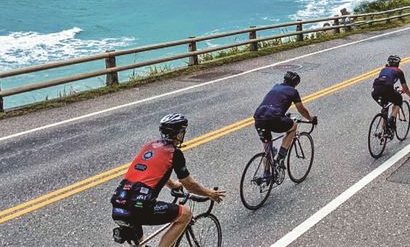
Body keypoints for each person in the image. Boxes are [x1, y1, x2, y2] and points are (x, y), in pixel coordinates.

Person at [111, 114, 225, 247]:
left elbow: (156, 171)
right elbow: (189, 184)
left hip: (118, 205)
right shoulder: (174, 153)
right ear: (178, 134)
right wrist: (209, 193)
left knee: (140, 244)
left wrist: (173, 185)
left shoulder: (150, 145)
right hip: (139, 206)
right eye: (182, 131)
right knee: (186, 214)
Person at [253, 71, 317, 171]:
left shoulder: (276, 86)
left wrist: (282, 115)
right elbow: (301, 109)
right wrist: (311, 119)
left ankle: (266, 175)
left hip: (259, 118)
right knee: (293, 126)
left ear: (284, 79)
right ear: (295, 84)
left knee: (267, 148)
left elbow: (274, 103)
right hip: (274, 118)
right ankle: (281, 158)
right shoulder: (292, 91)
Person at [371, 55, 410, 130]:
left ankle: (383, 132)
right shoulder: (398, 71)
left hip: (375, 91)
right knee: (398, 99)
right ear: (397, 64)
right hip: (387, 89)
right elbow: (405, 88)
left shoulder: (383, 69)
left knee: (385, 106)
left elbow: (383, 82)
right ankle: (392, 119)